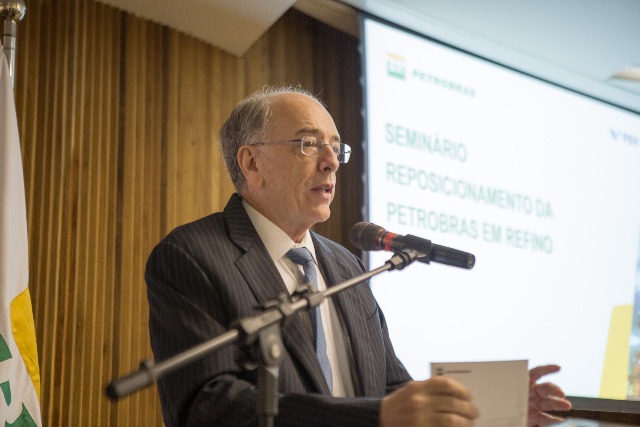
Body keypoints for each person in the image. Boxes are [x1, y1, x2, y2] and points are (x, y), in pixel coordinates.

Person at [145, 86, 572, 426]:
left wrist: (493, 408)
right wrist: (375, 419)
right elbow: (210, 407)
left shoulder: (345, 266)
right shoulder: (193, 255)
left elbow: (391, 388)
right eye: (309, 144)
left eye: (336, 148)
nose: (331, 162)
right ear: (252, 162)